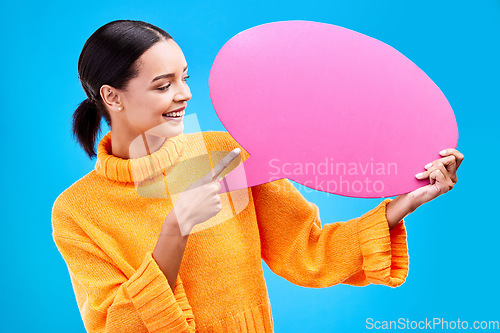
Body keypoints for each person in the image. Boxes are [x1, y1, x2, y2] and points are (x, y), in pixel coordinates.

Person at [51, 20, 464, 333]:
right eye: (163, 85)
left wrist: (401, 206)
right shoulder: (79, 211)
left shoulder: (224, 154)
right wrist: (174, 231)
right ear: (111, 96)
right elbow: (112, 325)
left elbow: (307, 253)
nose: (185, 94)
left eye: (185, 78)